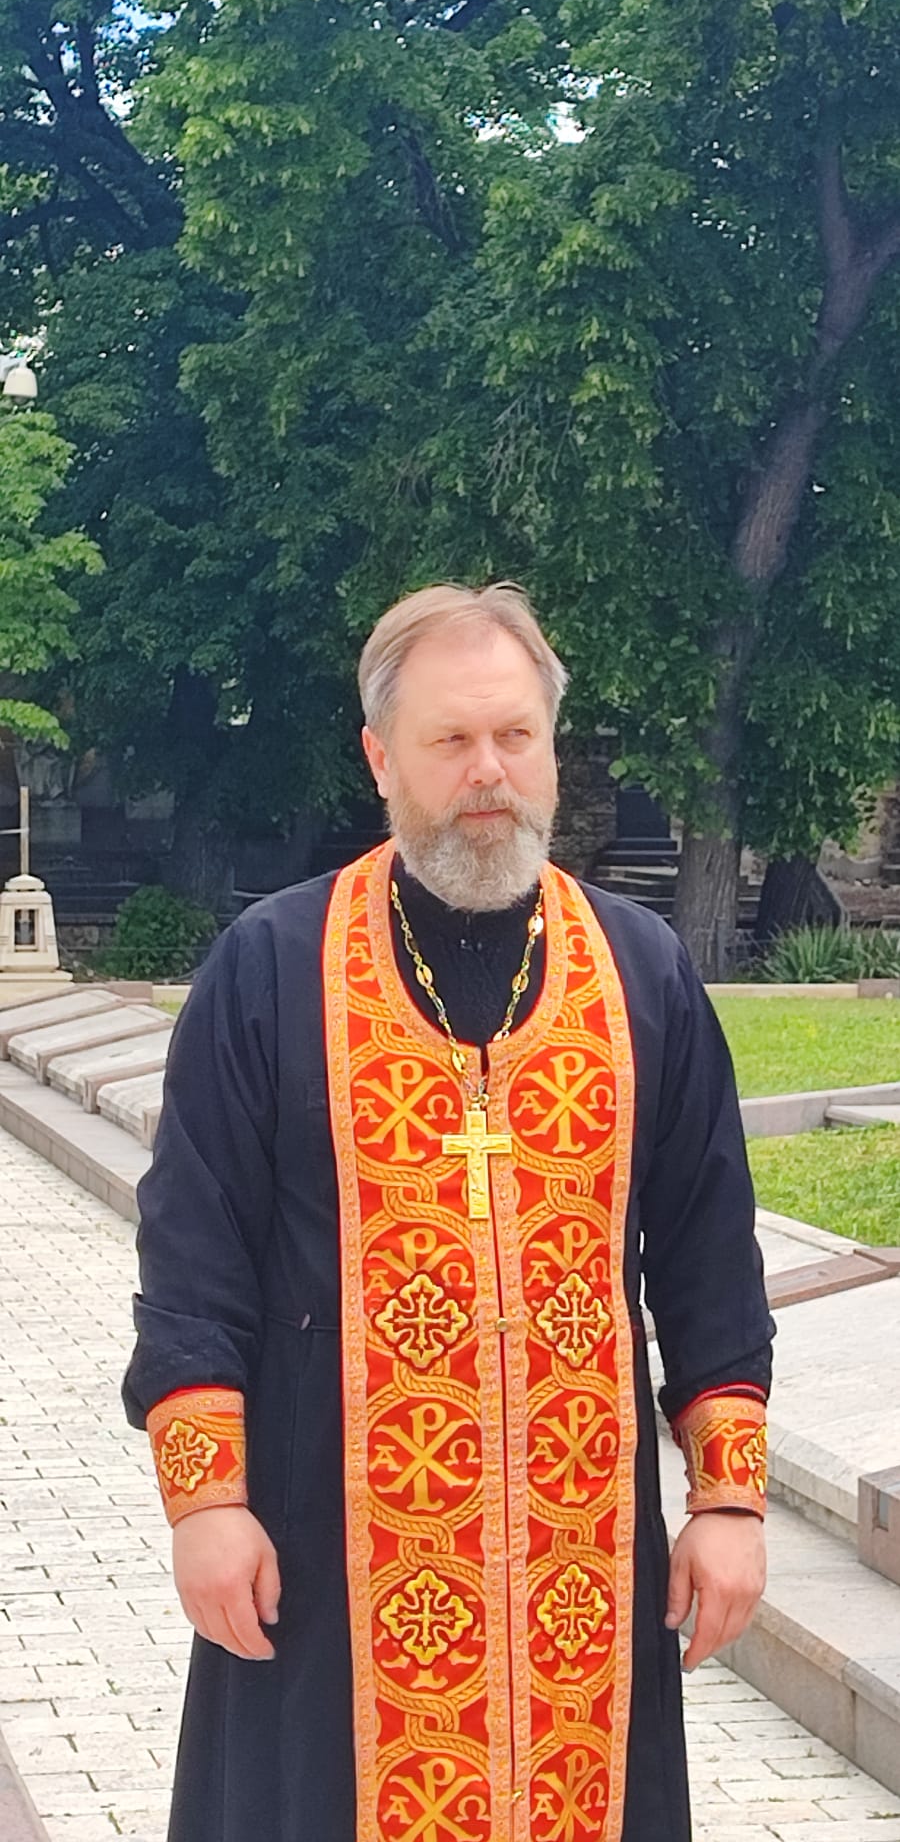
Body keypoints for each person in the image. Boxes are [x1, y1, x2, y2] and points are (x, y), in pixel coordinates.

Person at [124, 583, 774, 1842]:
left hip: (584, 1564)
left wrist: (730, 1500)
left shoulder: (642, 970)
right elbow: (194, 1254)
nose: (489, 771)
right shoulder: (271, 967)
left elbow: (707, 1253)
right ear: (381, 756)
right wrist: (206, 1504)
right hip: (326, 1558)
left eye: (515, 735)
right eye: (452, 739)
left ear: (550, 746)